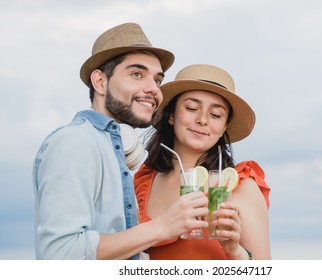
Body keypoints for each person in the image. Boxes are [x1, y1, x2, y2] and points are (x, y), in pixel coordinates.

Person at [32, 23, 209, 260]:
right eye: (137, 74)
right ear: (100, 82)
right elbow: (62, 254)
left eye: (157, 80)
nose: (153, 89)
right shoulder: (75, 143)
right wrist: (162, 227)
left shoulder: (117, 152)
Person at [134, 64, 271, 259]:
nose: (203, 120)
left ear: (224, 127)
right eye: (191, 108)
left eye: (216, 115)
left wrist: (236, 252)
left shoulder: (239, 186)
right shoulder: (144, 181)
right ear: (171, 115)